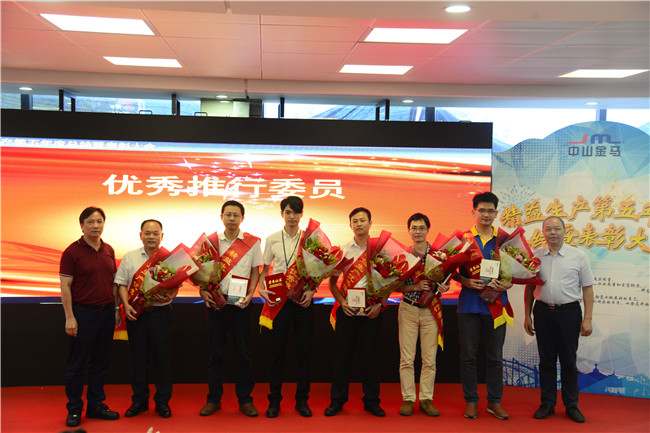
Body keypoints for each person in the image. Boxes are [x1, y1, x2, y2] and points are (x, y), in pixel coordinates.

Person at [524, 216, 594, 423]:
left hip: (569, 313)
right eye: (548, 229)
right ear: (543, 233)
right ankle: (547, 403)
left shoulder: (578, 256)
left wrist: (588, 319)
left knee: (569, 361)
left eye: (557, 229)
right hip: (543, 312)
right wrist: (527, 315)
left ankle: (571, 405)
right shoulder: (536, 256)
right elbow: (529, 287)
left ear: (565, 231)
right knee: (546, 361)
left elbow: (587, 288)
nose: (553, 233)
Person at [199, 200, 262, 418]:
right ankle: (213, 399)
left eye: (236, 215)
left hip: (241, 304)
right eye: (228, 215)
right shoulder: (211, 242)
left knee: (244, 354)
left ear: (242, 218)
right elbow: (200, 272)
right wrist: (202, 291)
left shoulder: (252, 243)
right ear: (222, 217)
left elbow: (255, 271)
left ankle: (245, 400)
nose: (232, 219)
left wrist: (251, 293)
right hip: (216, 304)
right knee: (215, 354)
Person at [453, 192, 512, 420]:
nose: (486, 214)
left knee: (495, 358)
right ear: (473, 212)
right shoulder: (463, 240)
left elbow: (515, 272)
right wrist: (465, 281)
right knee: (468, 357)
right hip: (469, 306)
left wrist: (508, 283)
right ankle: (471, 401)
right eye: (482, 210)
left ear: (496, 213)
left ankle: (494, 402)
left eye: (490, 211)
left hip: (496, 306)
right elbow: (447, 270)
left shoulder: (505, 241)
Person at [59, 206, 120, 428]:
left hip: (106, 314)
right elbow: (65, 286)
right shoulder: (71, 252)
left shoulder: (108, 249)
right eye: (90, 222)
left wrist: (116, 309)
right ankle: (75, 408)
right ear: (82, 225)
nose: (96, 226)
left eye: (99, 221)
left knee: (100, 363)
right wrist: (69, 317)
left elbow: (113, 283)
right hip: (82, 314)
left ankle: (95, 405)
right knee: (77, 365)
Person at [324, 207, 385, 417]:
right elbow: (332, 283)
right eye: (355, 221)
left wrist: (380, 304)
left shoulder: (379, 250)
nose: (359, 224)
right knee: (342, 359)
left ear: (370, 223)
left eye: (363, 220)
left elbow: (390, 282)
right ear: (350, 225)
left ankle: (372, 401)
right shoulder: (342, 250)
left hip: (371, 312)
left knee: (371, 359)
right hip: (348, 312)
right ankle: (337, 400)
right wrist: (342, 303)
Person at [258, 196, 314, 418]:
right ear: (282, 214)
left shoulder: (310, 240)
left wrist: (312, 290)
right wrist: (261, 289)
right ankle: (274, 401)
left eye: (296, 212)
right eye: (288, 212)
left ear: (301, 214)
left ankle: (302, 401)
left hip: (302, 300)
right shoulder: (272, 239)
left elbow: (317, 270)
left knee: (304, 354)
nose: (292, 216)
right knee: (277, 353)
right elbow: (265, 270)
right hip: (279, 301)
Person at [115, 220, 174, 419]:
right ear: (140, 235)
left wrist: (170, 295)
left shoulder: (170, 258)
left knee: (162, 360)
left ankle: (163, 402)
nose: (151, 237)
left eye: (155, 233)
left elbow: (175, 286)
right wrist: (126, 305)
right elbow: (122, 285)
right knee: (138, 360)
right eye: (147, 233)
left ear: (161, 236)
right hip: (137, 314)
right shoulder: (130, 257)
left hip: (161, 313)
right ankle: (139, 401)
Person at [397, 213, 449, 417]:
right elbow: (394, 286)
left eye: (421, 228)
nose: (417, 232)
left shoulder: (439, 256)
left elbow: (446, 279)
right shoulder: (402, 255)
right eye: (414, 228)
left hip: (430, 311)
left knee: (429, 359)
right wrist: (415, 287)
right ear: (409, 230)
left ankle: (426, 399)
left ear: (428, 230)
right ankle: (408, 399)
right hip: (408, 309)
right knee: (406, 359)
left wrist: (445, 286)